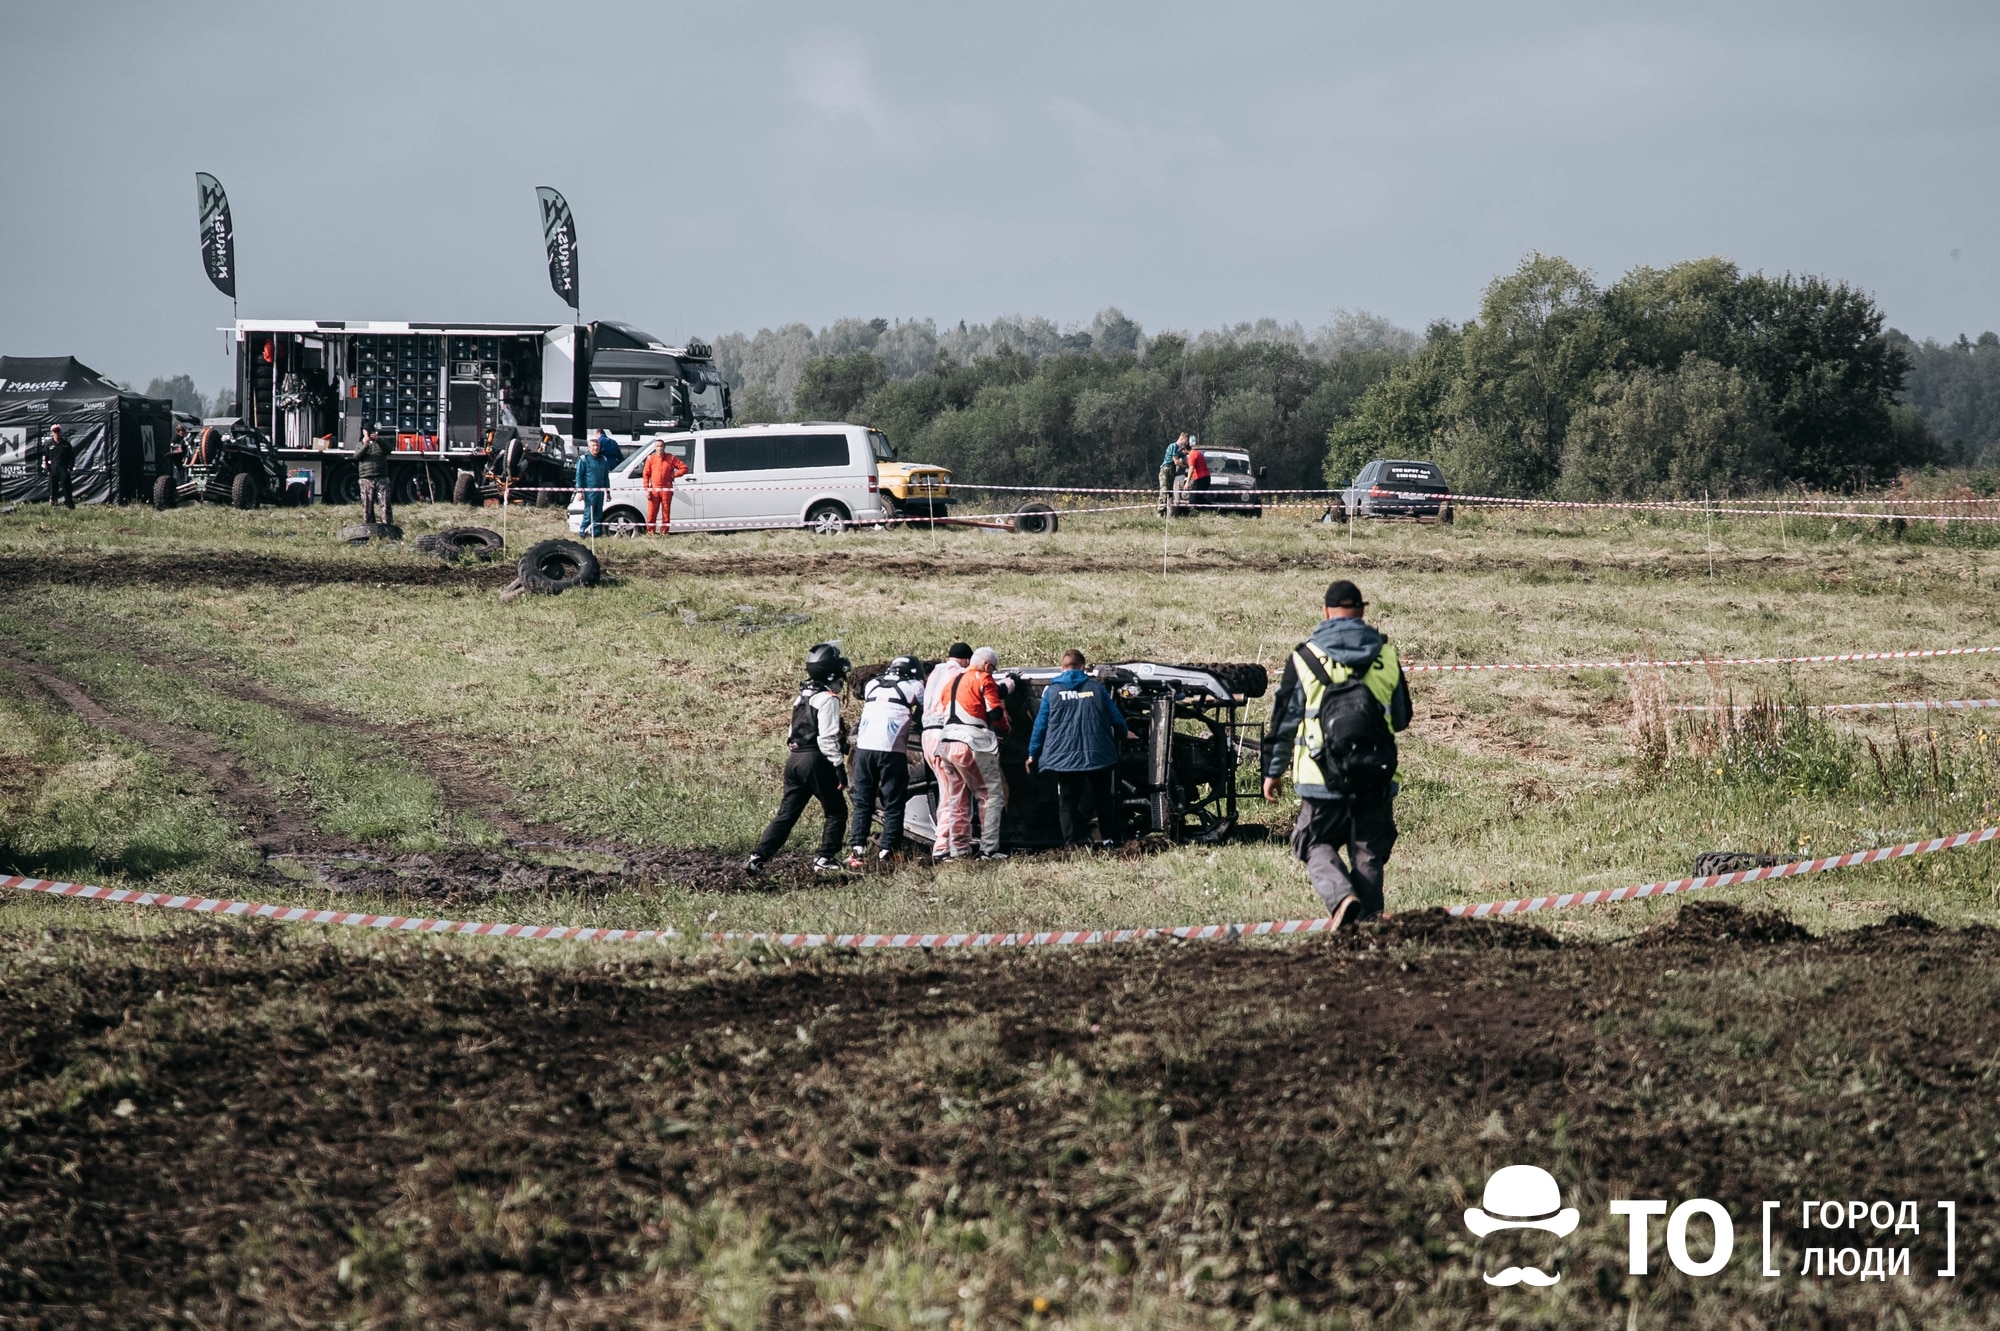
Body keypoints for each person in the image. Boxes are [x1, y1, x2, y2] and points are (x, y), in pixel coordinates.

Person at [1261, 580, 1413, 929]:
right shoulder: (1386, 655)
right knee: (1368, 851)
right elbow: (1402, 719)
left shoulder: (1304, 658)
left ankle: (1342, 898)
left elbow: (1283, 723)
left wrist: (1273, 771)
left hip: (1321, 779)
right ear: (1362, 612)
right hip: (1376, 776)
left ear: (1325, 612)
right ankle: (1371, 928)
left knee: (1313, 841)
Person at [748, 643, 851, 875]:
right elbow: (827, 737)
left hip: (794, 760)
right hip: (816, 760)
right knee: (836, 811)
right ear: (832, 675)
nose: (842, 684)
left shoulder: (801, 698)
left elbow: (790, 733)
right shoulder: (828, 699)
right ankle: (825, 857)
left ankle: (758, 856)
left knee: (787, 814)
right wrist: (838, 766)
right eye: (841, 679)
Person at [1026, 649, 1134, 848]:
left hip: (1064, 758)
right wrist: (1124, 732)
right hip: (1097, 754)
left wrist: (1033, 753)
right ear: (1083, 667)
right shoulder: (1096, 688)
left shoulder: (1052, 691)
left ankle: (1071, 843)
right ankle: (1108, 839)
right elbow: (1115, 716)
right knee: (1103, 798)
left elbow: (1040, 725)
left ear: (1062, 668)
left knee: (1067, 800)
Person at [846, 655, 926, 867]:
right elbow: (927, 709)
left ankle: (857, 849)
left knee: (863, 801)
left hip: (863, 749)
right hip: (891, 750)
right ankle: (888, 850)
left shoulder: (873, 684)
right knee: (894, 802)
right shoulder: (915, 686)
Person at [937, 646, 1012, 861]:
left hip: (946, 744)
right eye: (993, 669)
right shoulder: (983, 678)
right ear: (988, 666)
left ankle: (958, 849)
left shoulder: (951, 683)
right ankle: (989, 849)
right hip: (973, 743)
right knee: (990, 795)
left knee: (957, 799)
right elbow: (995, 711)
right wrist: (1004, 730)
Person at [921, 643, 974, 860]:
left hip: (927, 736)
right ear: (967, 660)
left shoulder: (936, 671)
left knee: (947, 790)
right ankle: (944, 846)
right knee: (953, 794)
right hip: (944, 736)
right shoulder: (961, 674)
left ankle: (948, 842)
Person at [641, 438, 688, 534]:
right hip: (654, 489)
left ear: (664, 447)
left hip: (666, 488)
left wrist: (674, 475)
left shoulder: (671, 458)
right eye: (657, 446)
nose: (659, 448)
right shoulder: (650, 458)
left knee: (666, 513)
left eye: (661, 446)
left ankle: (664, 533)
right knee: (651, 513)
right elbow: (645, 474)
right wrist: (646, 490)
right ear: (655, 448)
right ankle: (650, 533)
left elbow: (684, 468)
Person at [575, 434, 614, 536]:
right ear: (589, 447)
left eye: (597, 446)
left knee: (598, 513)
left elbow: (606, 477)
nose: (595, 448)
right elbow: (579, 476)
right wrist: (580, 491)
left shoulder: (603, 460)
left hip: (600, 491)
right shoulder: (584, 459)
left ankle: (595, 533)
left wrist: (608, 492)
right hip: (589, 491)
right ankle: (582, 532)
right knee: (589, 513)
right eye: (593, 446)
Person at [355, 424, 394, 525]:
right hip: (366, 477)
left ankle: (387, 525)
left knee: (385, 503)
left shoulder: (380, 444)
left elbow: (388, 450)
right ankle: (368, 526)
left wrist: (378, 440)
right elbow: (357, 456)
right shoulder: (360, 444)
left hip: (381, 476)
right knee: (367, 505)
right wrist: (365, 445)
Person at [43, 424, 75, 509]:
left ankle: (69, 504)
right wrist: (47, 469)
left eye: (58, 431)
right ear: (52, 433)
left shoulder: (66, 444)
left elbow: (72, 457)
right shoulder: (48, 444)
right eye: (55, 432)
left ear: (60, 432)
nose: (56, 433)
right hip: (53, 470)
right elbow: (45, 458)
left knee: (67, 488)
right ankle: (53, 504)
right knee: (53, 488)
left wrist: (70, 467)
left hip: (63, 469)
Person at [1158, 432, 1188, 514]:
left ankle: (1168, 512)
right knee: (1164, 490)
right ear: (1182, 439)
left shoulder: (1179, 451)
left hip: (1172, 471)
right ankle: (1160, 512)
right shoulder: (1173, 446)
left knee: (1170, 492)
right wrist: (1185, 467)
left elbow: (1186, 459)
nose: (1185, 444)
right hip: (1166, 470)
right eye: (1185, 442)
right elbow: (1176, 461)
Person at [1183, 436, 1211, 509]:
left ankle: (1193, 514)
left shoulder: (1191, 455)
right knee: (1199, 497)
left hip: (1200, 478)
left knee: (1193, 499)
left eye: (1183, 450)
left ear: (1185, 449)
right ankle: (1213, 508)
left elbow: (1191, 468)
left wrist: (1187, 483)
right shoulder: (1197, 453)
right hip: (1206, 477)